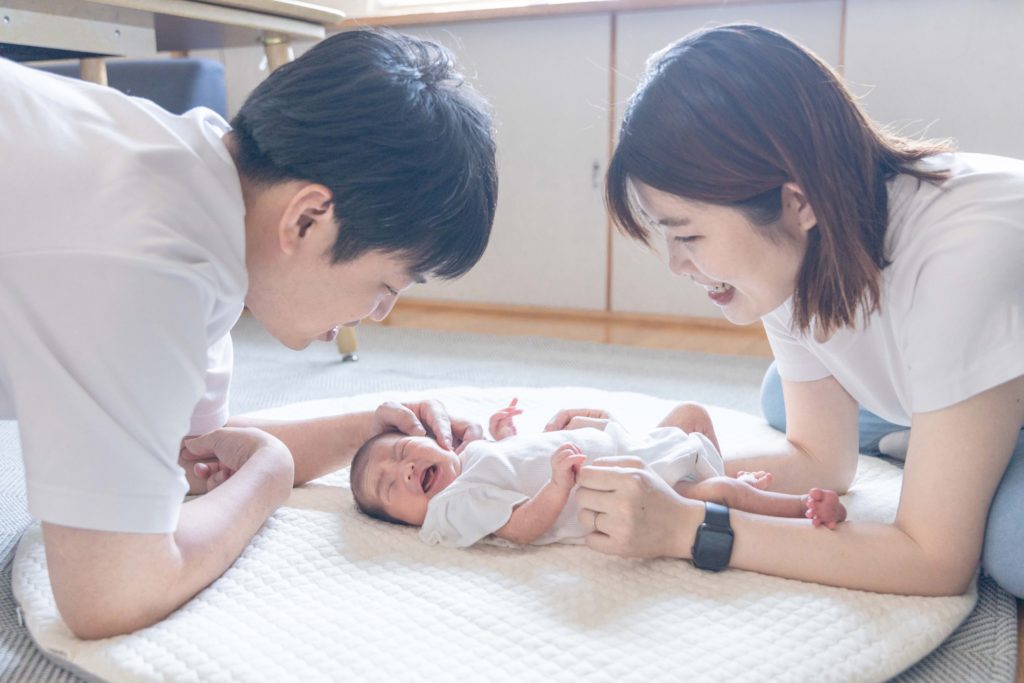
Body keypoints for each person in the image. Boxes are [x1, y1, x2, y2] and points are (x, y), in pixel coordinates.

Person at [0, 29, 497, 639]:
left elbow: (195, 452)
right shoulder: (154, 265)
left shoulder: (208, 188)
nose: (378, 312)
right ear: (308, 219)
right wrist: (270, 477)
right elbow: (111, 594)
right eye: (387, 285)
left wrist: (369, 430)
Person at [589, 23, 1024, 596]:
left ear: (797, 202)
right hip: (958, 348)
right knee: (781, 394)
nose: (676, 264)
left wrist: (686, 527)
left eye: (687, 236)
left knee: (1012, 545)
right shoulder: (796, 247)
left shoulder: (959, 262)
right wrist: (658, 462)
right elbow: (822, 460)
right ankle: (938, 427)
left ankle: (946, 432)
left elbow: (934, 561)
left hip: (982, 328)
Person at [349, 399, 846, 548]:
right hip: (630, 483)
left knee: (691, 417)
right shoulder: (451, 507)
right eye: (389, 486)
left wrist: (504, 433)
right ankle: (798, 509)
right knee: (716, 492)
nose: (404, 469)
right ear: (405, 521)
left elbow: (511, 462)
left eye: (404, 450)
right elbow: (520, 527)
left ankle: (725, 479)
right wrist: (557, 485)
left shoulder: (471, 457)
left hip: (629, 449)